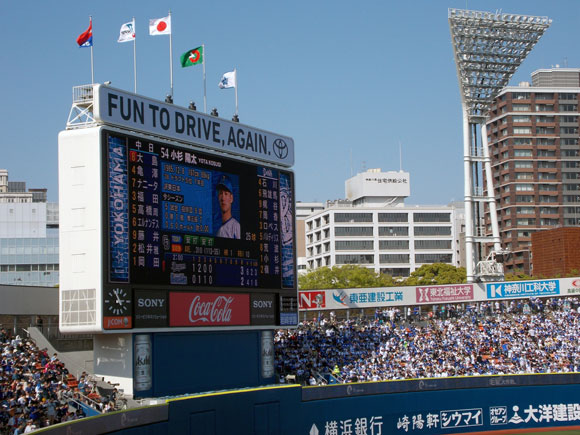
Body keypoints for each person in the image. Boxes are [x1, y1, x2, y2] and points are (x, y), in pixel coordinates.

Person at [216, 175, 240, 239]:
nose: (223, 198)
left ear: (231, 198)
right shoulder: (219, 231)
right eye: (221, 193)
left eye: (226, 194)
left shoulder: (236, 227)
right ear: (218, 197)